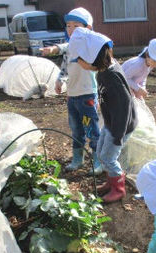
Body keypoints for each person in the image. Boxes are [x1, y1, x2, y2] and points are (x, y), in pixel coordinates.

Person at [68, 27, 137, 203]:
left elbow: (125, 107)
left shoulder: (111, 77)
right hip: (111, 122)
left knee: (108, 156)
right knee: (100, 152)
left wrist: (118, 136)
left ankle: (118, 188)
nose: (79, 64)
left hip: (121, 125)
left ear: (92, 58)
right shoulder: (103, 71)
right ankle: (110, 182)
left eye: (80, 60)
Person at [40, 7, 102, 174]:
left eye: (76, 25)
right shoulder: (71, 47)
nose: (71, 29)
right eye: (68, 25)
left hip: (87, 95)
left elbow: (63, 48)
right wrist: (60, 80)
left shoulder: (89, 46)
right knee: (76, 128)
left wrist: (53, 49)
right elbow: (65, 65)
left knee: (92, 129)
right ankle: (78, 159)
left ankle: (98, 161)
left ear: (88, 28)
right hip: (72, 96)